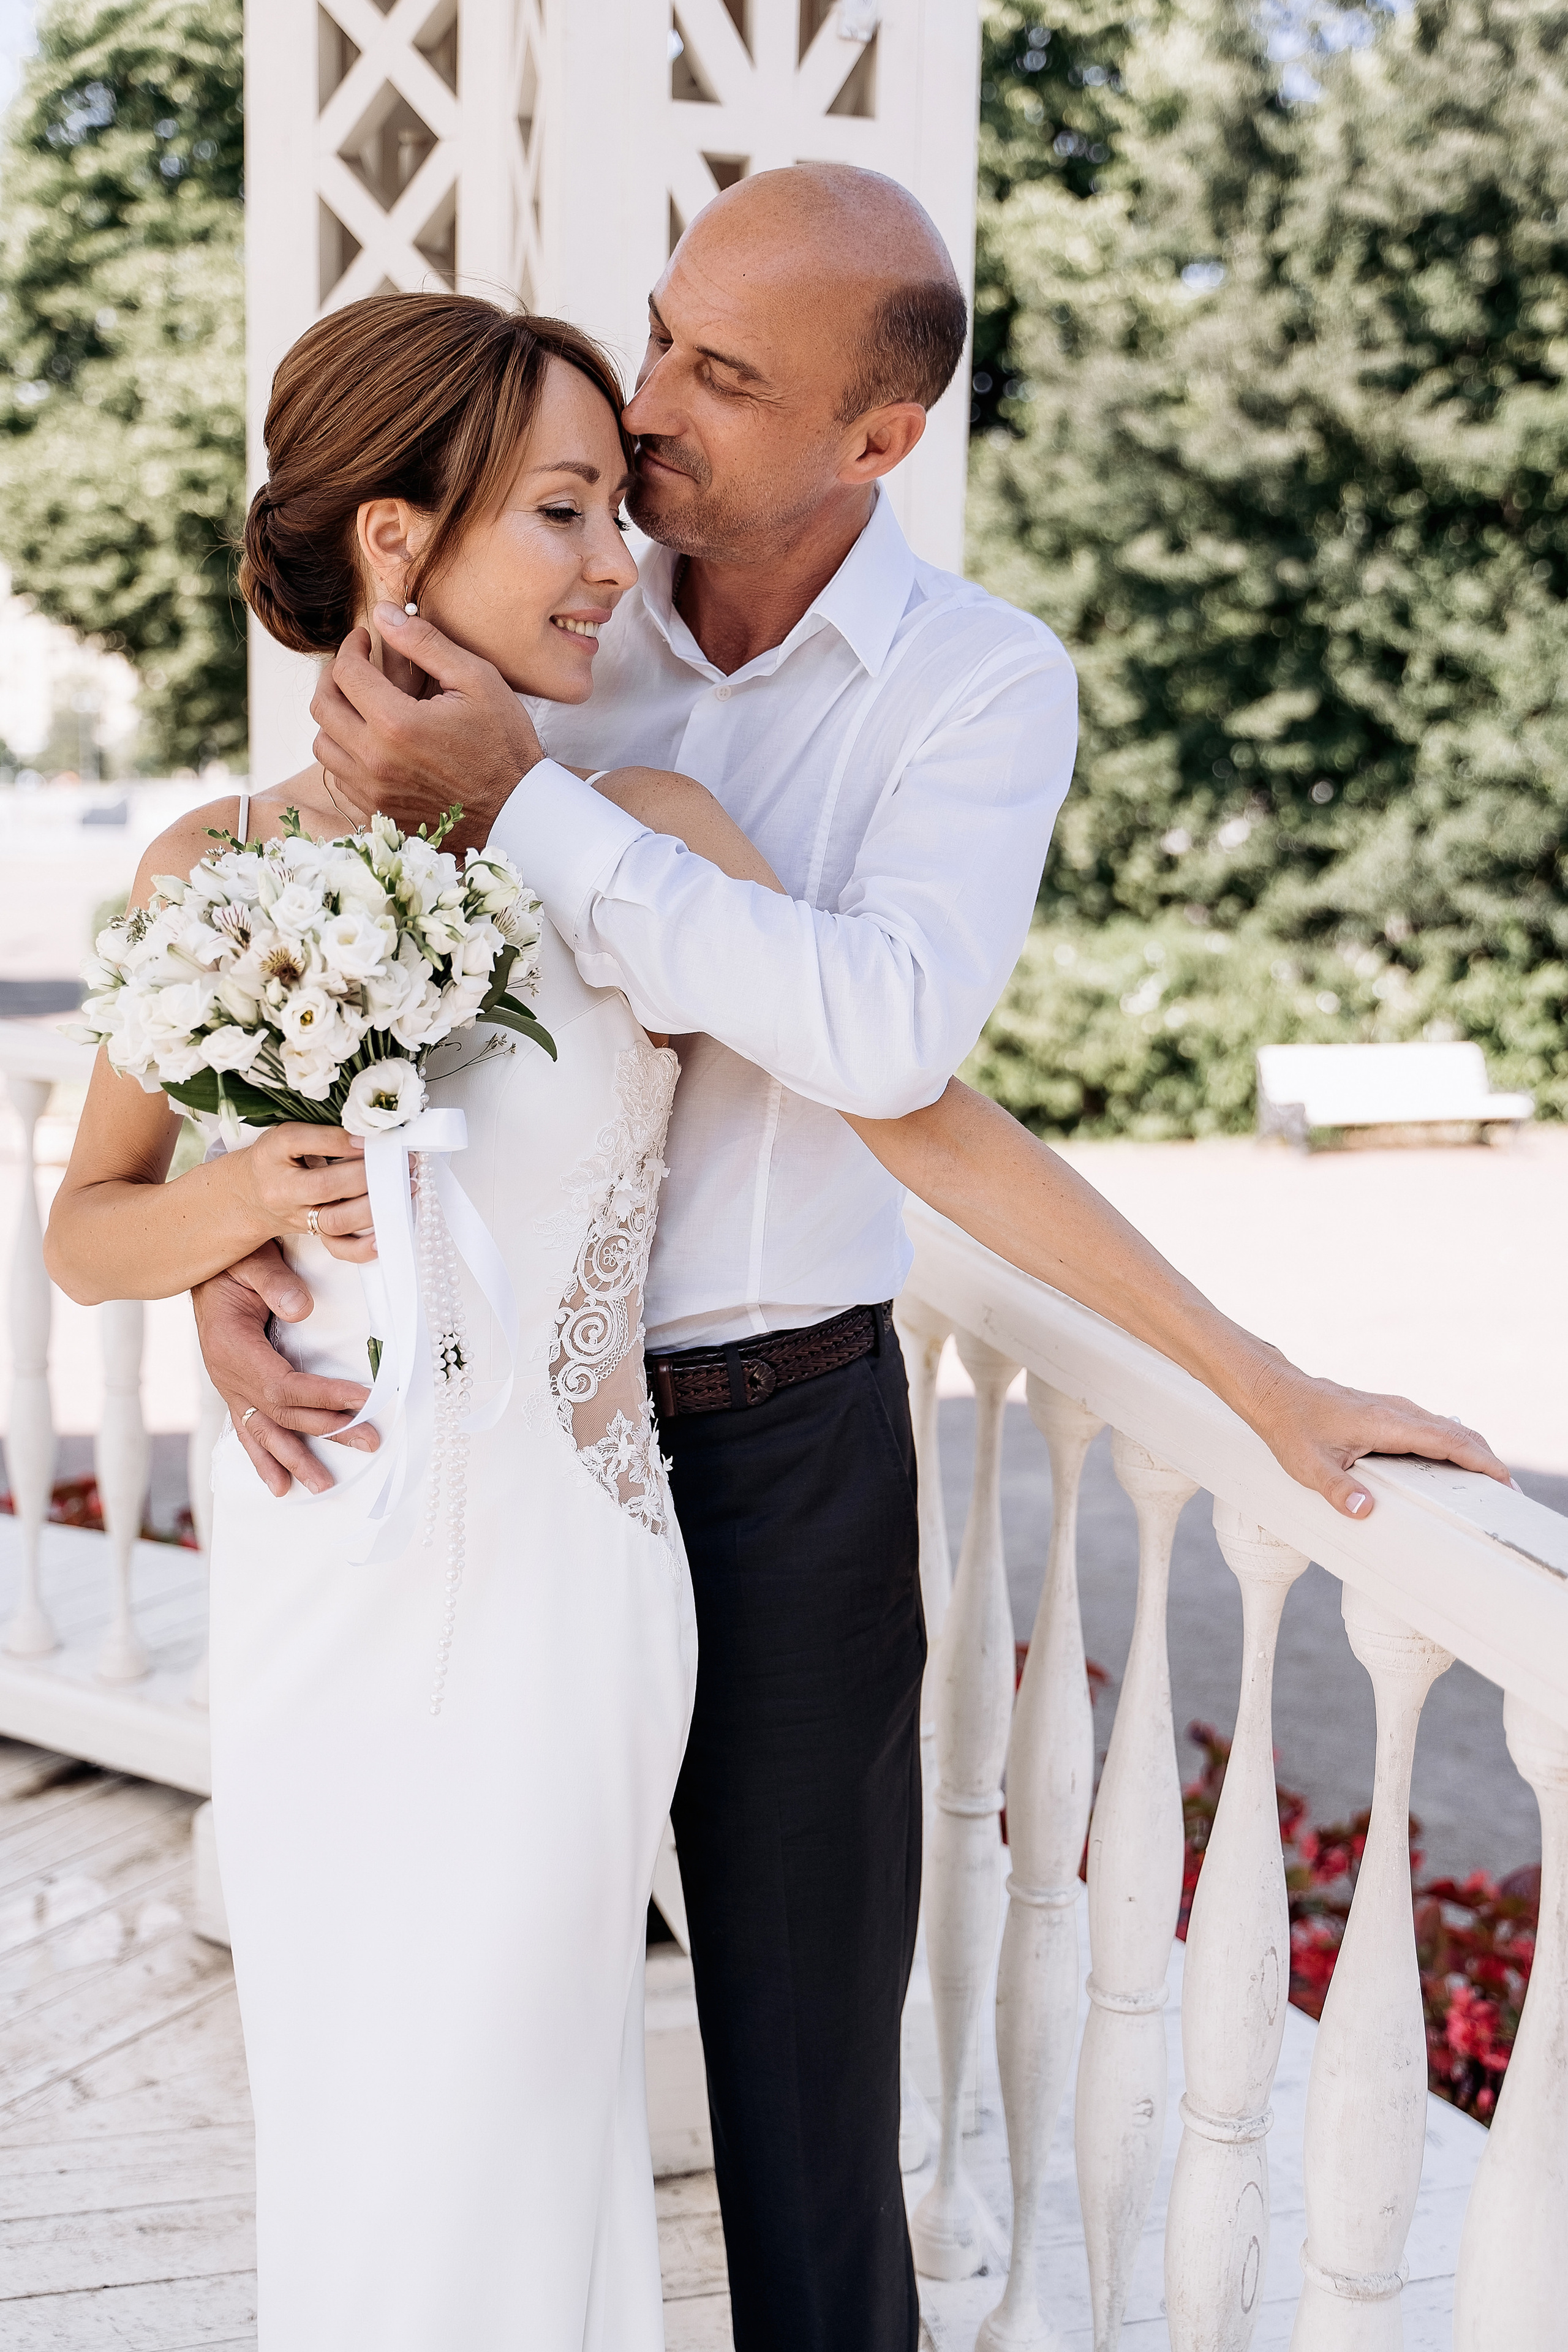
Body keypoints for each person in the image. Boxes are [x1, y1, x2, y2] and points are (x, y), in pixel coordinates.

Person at [193, 171, 1511, 2351]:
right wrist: (228, 1246)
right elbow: (302, 964)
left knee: (811, 2116)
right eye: (663, 332)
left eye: (721, 374)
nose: (651, 411)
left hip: (782, 1447)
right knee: (463, 2051)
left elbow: (897, 1060)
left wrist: (1254, 1373)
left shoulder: (974, 690)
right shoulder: (552, 602)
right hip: (480, 1486)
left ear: (874, 439)